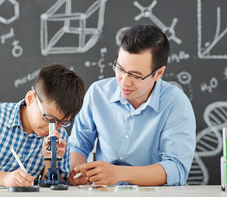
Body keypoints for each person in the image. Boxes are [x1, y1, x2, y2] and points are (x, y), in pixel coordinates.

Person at [68, 24, 196, 186]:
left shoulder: (176, 104)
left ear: (158, 73)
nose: (124, 81)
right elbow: (79, 145)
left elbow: (176, 169)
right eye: (120, 69)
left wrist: (119, 174)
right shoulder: (97, 93)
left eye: (135, 75)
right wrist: (76, 170)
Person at [0, 64, 85, 187]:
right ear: (30, 98)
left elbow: (53, 189)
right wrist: (5, 179)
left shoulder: (59, 137)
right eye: (49, 118)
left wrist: (50, 162)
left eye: (62, 122)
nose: (54, 127)